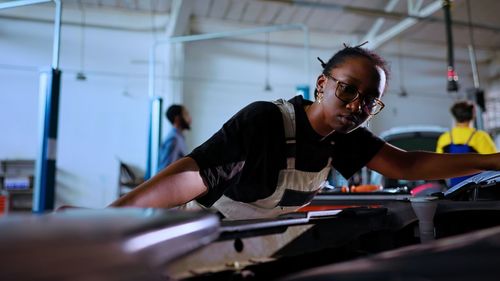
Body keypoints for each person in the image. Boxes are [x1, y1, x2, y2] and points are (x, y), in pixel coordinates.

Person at [110, 44, 500, 219]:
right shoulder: (265, 120)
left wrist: (495, 159)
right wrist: (112, 217)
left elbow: (407, 163)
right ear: (321, 83)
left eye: (369, 100)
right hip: (194, 236)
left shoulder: (344, 139)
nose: (355, 105)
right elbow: (196, 174)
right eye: (347, 88)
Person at [436, 100, 497, 187]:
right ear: (473, 115)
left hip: (454, 190)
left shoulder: (444, 138)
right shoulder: (480, 137)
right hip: (478, 190)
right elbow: (495, 163)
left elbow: (439, 166)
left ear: (454, 115)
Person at [157, 104, 192, 172]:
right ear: (177, 119)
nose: (189, 118)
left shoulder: (179, 137)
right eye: (186, 114)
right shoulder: (174, 139)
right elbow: (165, 170)